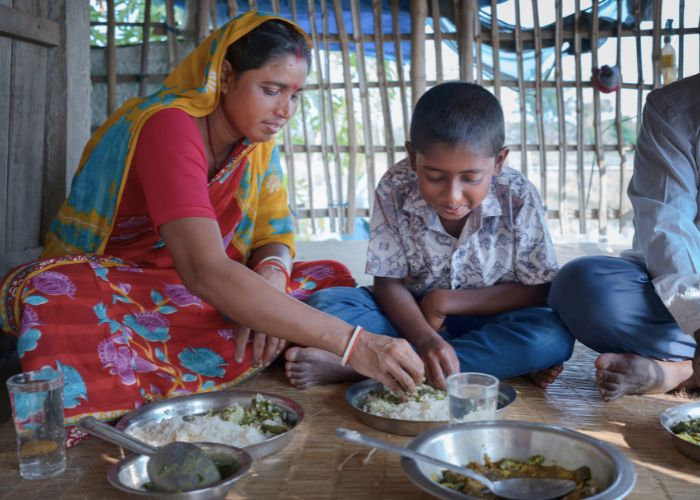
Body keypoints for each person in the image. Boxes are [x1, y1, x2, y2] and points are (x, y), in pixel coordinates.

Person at [0, 12, 424, 425]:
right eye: (272, 89)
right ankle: (279, 348)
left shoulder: (256, 139)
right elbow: (204, 270)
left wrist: (270, 285)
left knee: (328, 278)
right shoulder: (168, 126)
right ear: (224, 76)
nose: (285, 110)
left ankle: (263, 335)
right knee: (54, 301)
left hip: (207, 286)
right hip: (134, 283)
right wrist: (354, 344)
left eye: (294, 95)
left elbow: (273, 232)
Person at [285, 82, 574, 390]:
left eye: (471, 177)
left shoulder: (517, 195)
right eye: (434, 176)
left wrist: (445, 302)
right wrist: (424, 338)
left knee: (551, 336)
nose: (452, 195)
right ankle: (479, 363)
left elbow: (540, 288)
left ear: (499, 161)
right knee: (324, 306)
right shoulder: (395, 186)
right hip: (409, 315)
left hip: (491, 315)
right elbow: (388, 281)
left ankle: (367, 368)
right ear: (413, 157)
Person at [548, 73, 700, 401]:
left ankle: (681, 373)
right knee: (583, 286)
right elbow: (667, 227)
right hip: (685, 302)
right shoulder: (675, 109)